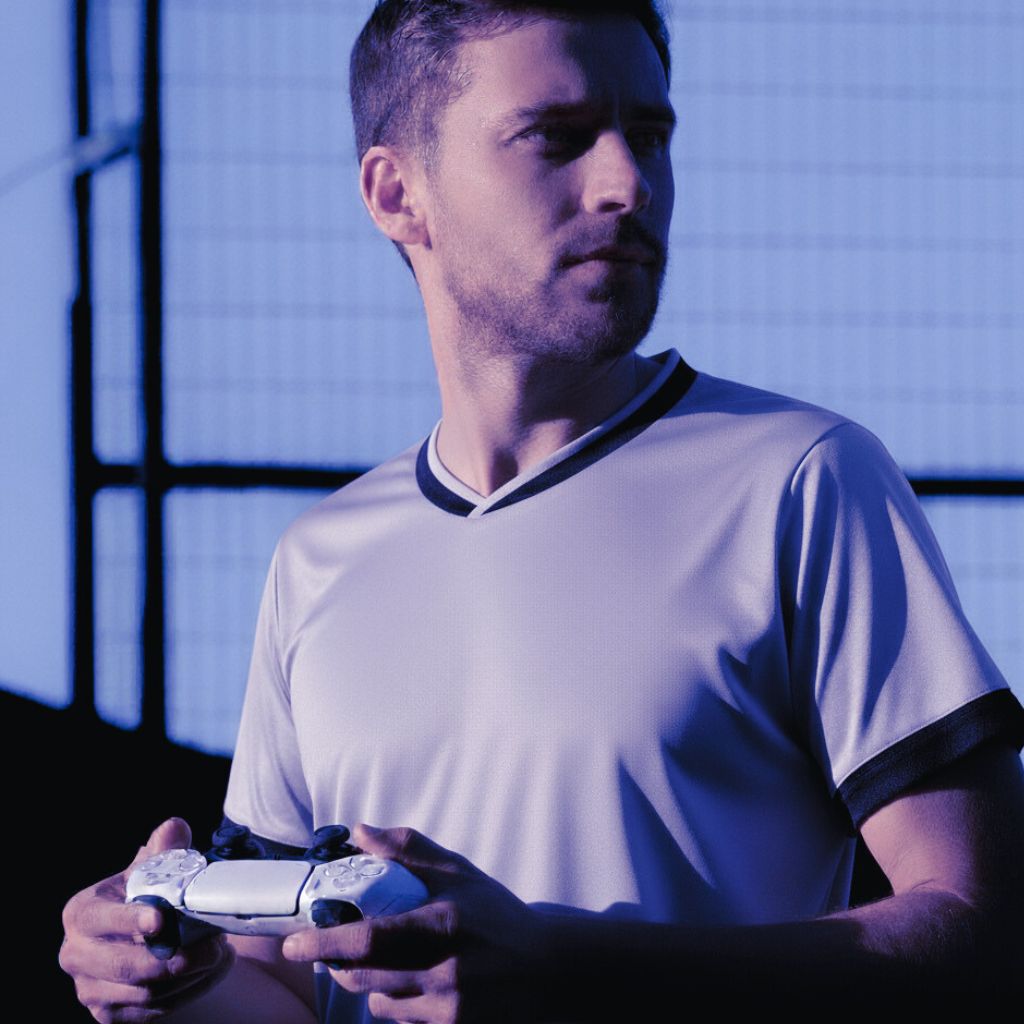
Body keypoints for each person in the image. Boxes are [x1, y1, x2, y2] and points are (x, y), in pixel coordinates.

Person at [60, 1, 1024, 1021]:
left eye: (649, 135)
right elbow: (295, 987)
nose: (627, 183)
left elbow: (988, 933)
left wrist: (573, 970)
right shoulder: (317, 559)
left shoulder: (803, 480)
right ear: (397, 193)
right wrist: (177, 979)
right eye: (554, 137)